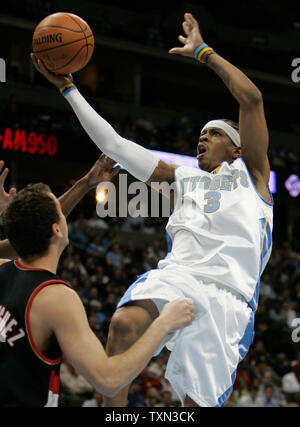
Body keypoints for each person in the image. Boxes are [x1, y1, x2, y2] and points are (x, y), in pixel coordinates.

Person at [31, 11, 273, 407]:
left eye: (213, 134)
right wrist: (69, 90)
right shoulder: (182, 177)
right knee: (123, 326)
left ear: (237, 147)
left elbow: (252, 98)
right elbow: (115, 145)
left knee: (194, 405)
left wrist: (204, 53)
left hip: (229, 299)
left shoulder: (255, 175)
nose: (203, 138)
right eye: (200, 134)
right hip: (179, 276)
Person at [0, 161, 195, 407]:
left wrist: (16, 219)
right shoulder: (55, 297)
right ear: (57, 229)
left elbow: (25, 234)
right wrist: (164, 323)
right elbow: (108, 380)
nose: (65, 214)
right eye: (61, 213)